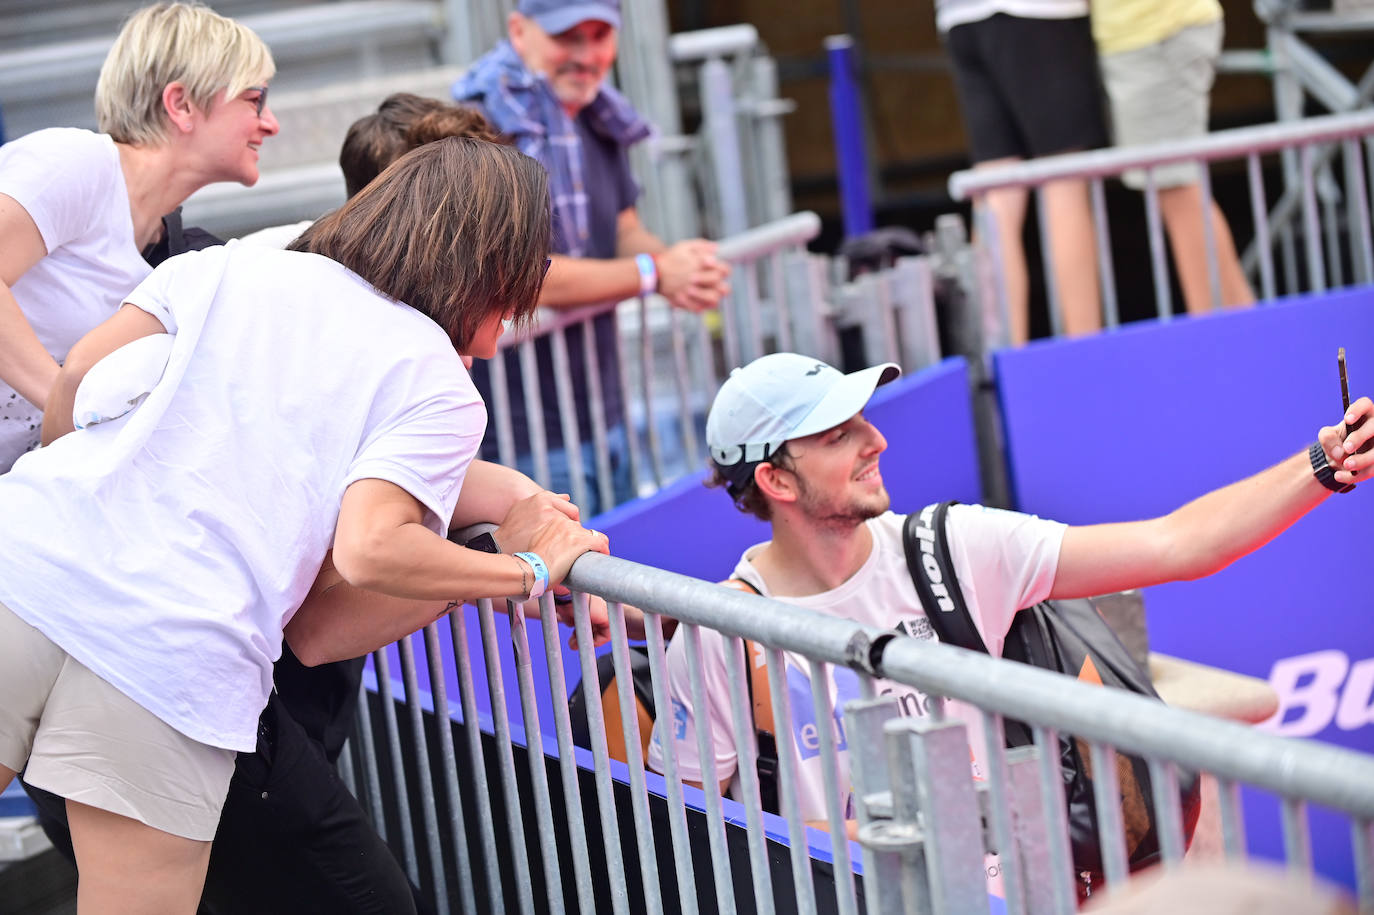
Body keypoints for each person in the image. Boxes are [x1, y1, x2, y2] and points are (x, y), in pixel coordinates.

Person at [0, 137, 606, 912]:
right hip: (166, 651)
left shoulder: (240, 261)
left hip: (28, 556)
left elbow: (79, 377)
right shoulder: (436, 381)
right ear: (494, 270)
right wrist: (526, 569)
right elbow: (372, 546)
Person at [646, 351, 1366, 839]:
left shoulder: (951, 545)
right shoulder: (719, 632)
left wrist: (1322, 465)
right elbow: (685, 829)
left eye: (865, 418)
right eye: (840, 434)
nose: (877, 440)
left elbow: (1176, 544)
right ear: (775, 480)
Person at [453, 0, 732, 514]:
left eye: (600, 36)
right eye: (567, 37)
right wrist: (652, 272)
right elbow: (516, 277)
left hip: (603, 413)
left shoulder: (598, 114)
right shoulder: (477, 128)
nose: (586, 56)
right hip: (520, 432)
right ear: (519, 30)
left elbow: (623, 228)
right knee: (566, 591)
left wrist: (679, 268)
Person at [0, 1, 279, 472]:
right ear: (182, 105)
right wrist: (68, 409)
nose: (270, 123)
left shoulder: (170, 250)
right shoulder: (78, 162)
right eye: (255, 100)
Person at [935, 0, 1107, 345]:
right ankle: (1086, 354)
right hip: (1039, 12)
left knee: (996, 189)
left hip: (959, 14)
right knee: (1064, 181)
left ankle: (997, 363)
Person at [1092, 0, 1255, 313]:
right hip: (1147, 34)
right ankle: (1241, 327)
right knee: (1178, 191)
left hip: (1155, 33)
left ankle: (1218, 332)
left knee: (1178, 191)